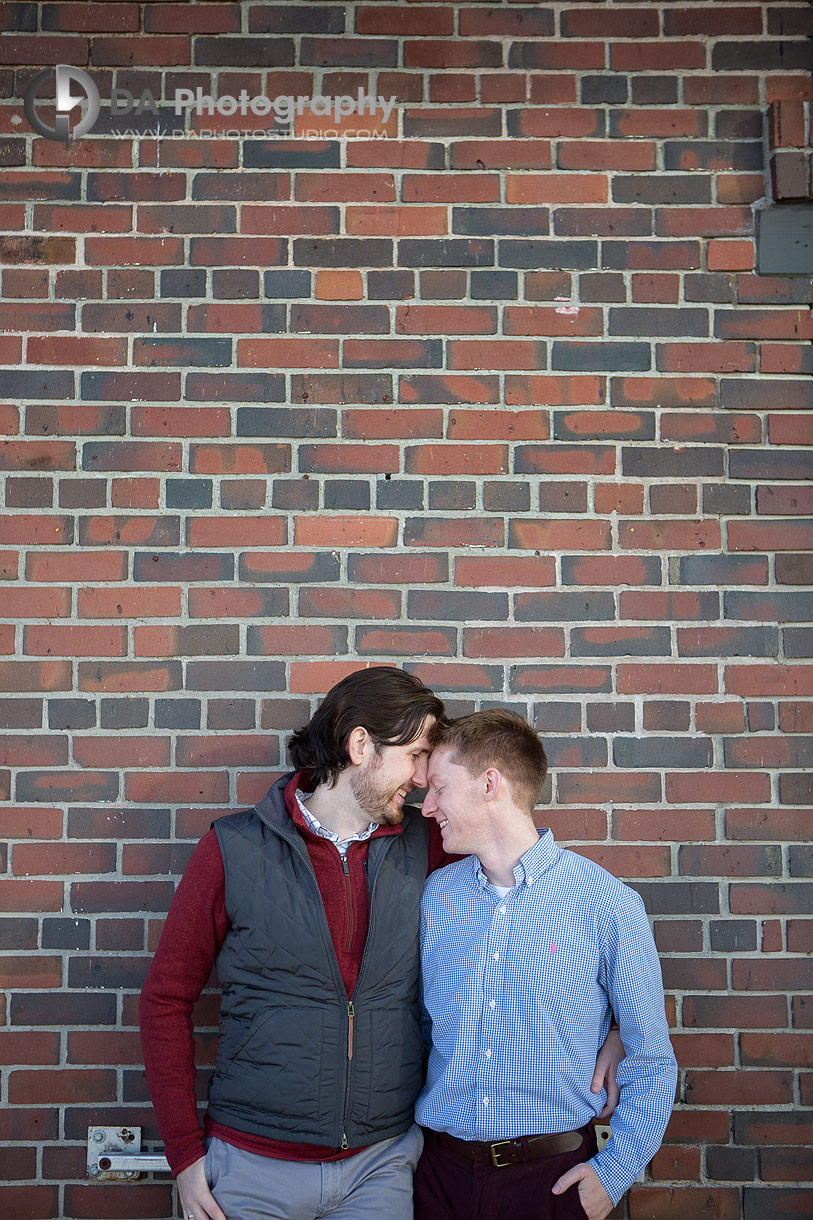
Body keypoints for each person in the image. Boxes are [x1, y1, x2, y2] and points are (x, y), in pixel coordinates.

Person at [140, 668, 623, 1220]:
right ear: (360, 743)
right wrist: (184, 1155)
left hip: (383, 1169)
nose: (423, 779)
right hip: (253, 1165)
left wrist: (612, 1025)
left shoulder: (431, 845)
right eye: (416, 755)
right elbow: (166, 1000)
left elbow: (539, 911)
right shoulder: (232, 849)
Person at [414, 709, 677, 1220]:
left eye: (440, 788)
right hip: (439, 1180)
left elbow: (651, 1058)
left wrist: (616, 1172)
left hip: (550, 1186)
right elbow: (421, 1028)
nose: (427, 807)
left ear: (490, 783)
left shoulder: (606, 903)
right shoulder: (435, 899)